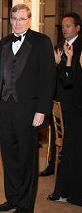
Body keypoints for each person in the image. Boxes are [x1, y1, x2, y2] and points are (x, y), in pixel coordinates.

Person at [0, 3, 55, 213]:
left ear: (29, 20)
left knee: (27, 159)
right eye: (14, 19)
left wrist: (42, 110)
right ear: (10, 20)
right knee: (9, 157)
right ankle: (12, 198)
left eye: (22, 19)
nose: (17, 23)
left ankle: (25, 205)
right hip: (5, 109)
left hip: (29, 111)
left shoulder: (41, 42)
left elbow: (48, 79)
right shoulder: (3, 42)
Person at [42, 13, 81, 180]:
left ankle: (67, 169)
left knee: (70, 137)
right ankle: (52, 164)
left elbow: (73, 78)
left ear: (77, 27)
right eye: (63, 26)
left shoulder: (80, 47)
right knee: (55, 133)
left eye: (68, 26)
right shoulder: (58, 46)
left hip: (74, 100)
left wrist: (61, 65)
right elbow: (52, 75)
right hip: (57, 98)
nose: (64, 29)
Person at [56, 42, 82, 206]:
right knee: (73, 153)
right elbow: (68, 81)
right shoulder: (77, 56)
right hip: (77, 113)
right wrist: (66, 60)